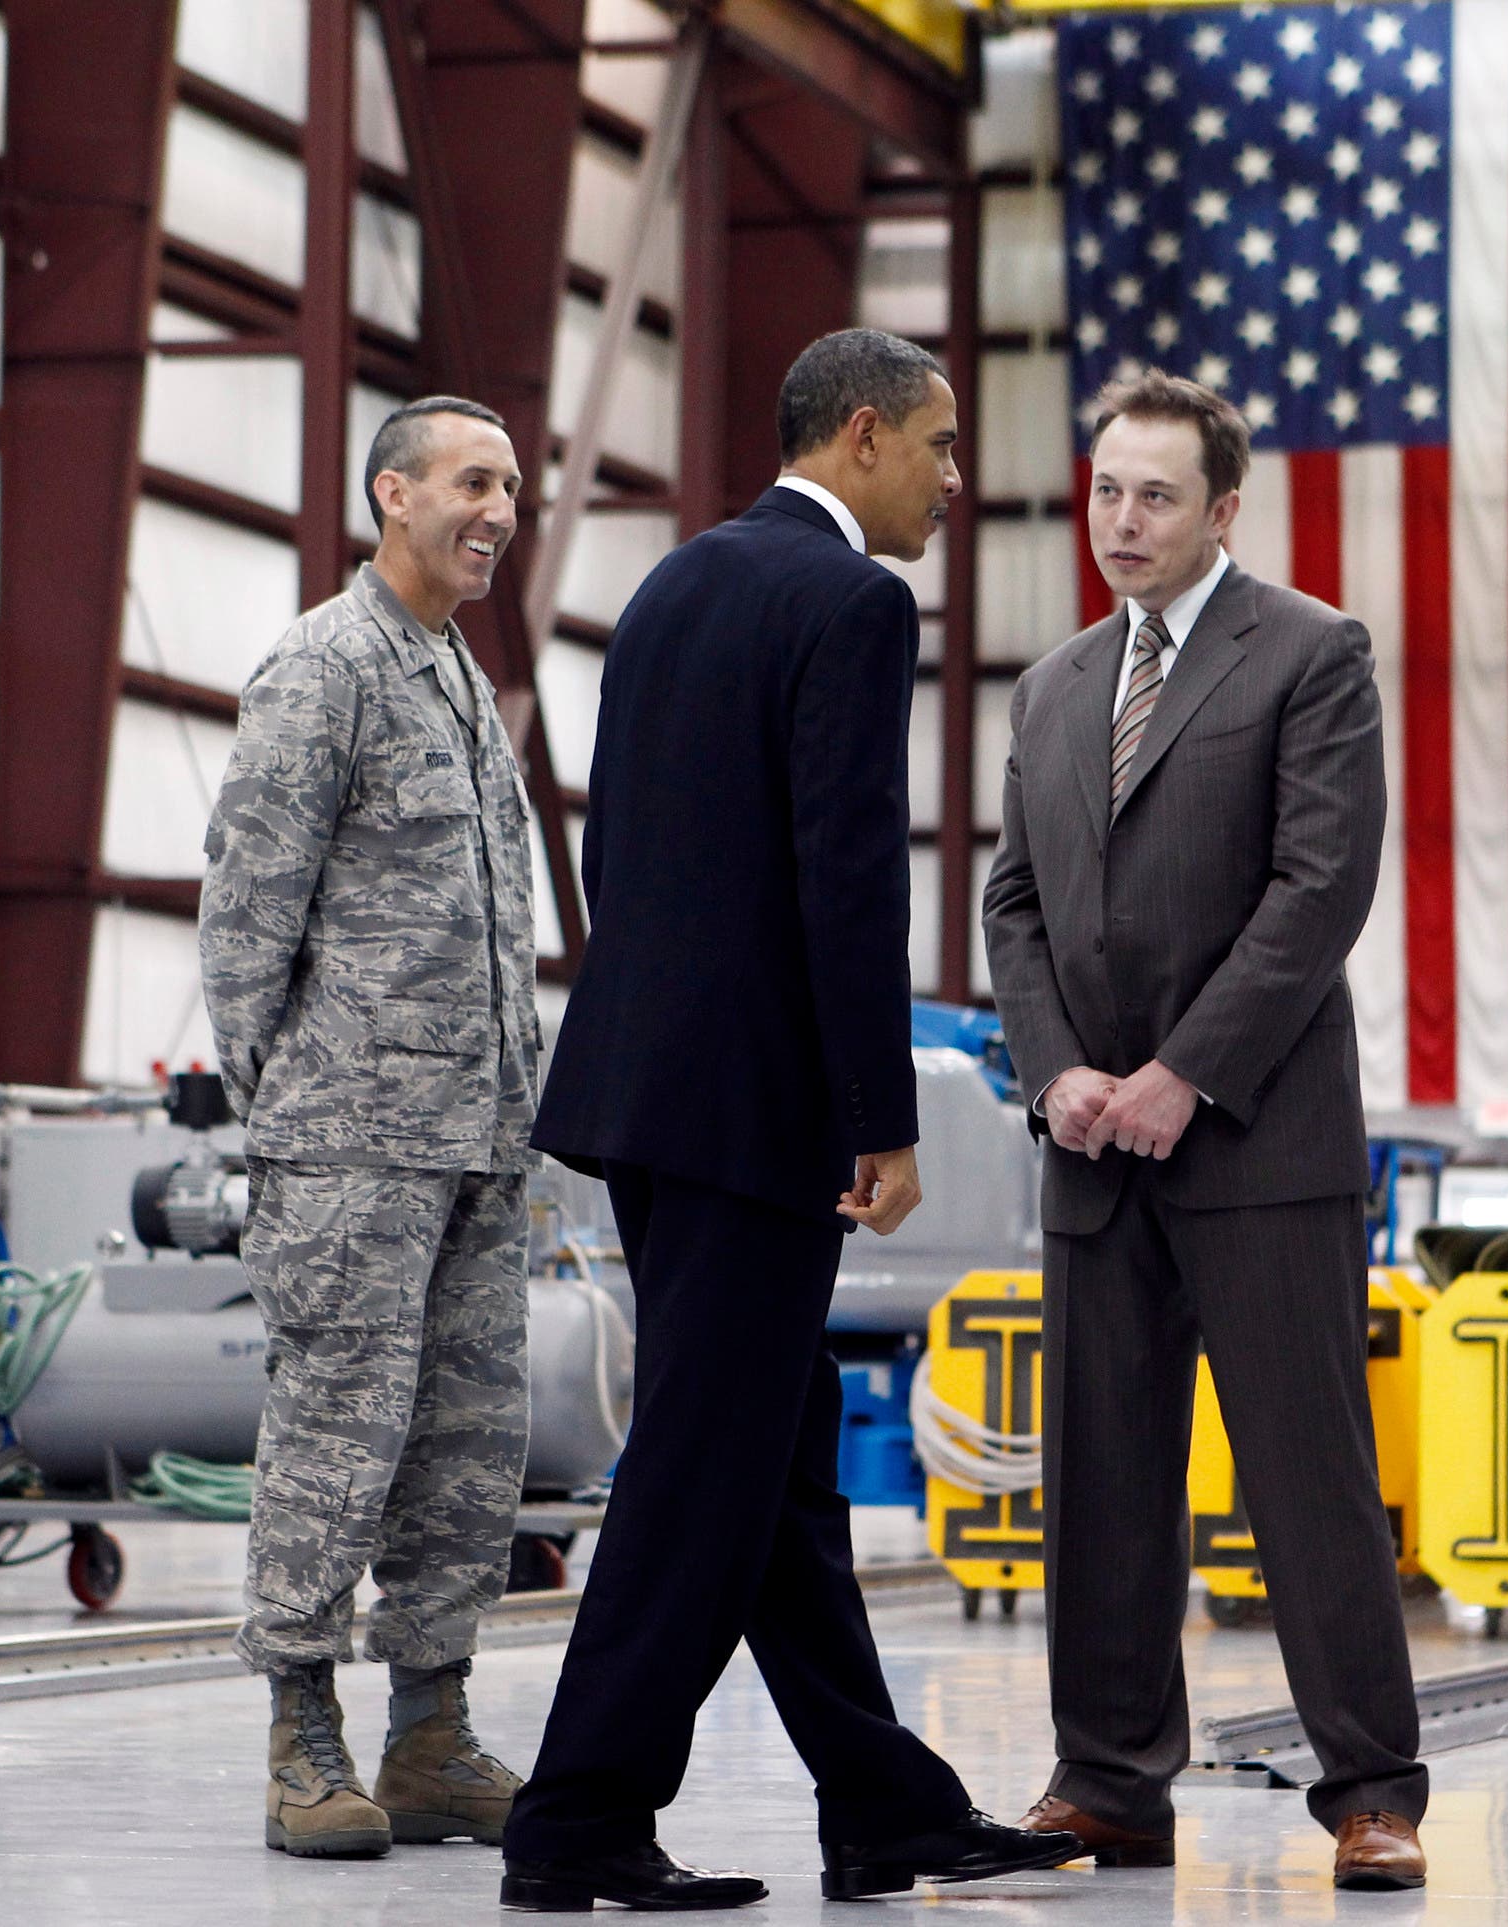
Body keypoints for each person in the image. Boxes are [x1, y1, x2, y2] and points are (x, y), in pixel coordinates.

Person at [503, 330, 1080, 1912]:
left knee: (779, 1455)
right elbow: (848, 869)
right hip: (755, 1114)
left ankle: (885, 1805)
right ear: (866, 436)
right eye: (945, 448)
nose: (958, 483)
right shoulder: (852, 599)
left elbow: (612, 850)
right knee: (705, 1464)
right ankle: (576, 1822)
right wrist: (873, 1118)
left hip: (646, 1087)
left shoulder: (676, 585)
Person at [981, 372, 1429, 1891]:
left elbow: (1320, 892)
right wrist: (1055, 1076)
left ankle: (1372, 1790)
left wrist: (1185, 1072)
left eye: (1158, 495)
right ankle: (1107, 1782)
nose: (1124, 520)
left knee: (1306, 1475)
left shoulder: (1309, 654)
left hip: (1258, 1147)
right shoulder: (1048, 691)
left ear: (1225, 509)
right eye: (1108, 490)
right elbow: (1016, 902)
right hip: (1093, 1151)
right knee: (1103, 1483)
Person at [199, 396, 542, 1860]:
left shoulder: (460, 675)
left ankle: (431, 1733)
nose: (500, 509)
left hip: (476, 1140)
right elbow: (247, 910)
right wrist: (285, 1104)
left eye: (512, 487)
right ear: (391, 494)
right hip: (348, 1143)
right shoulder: (325, 665)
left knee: (468, 1445)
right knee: (335, 1441)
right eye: (473, 483)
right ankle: (302, 1737)